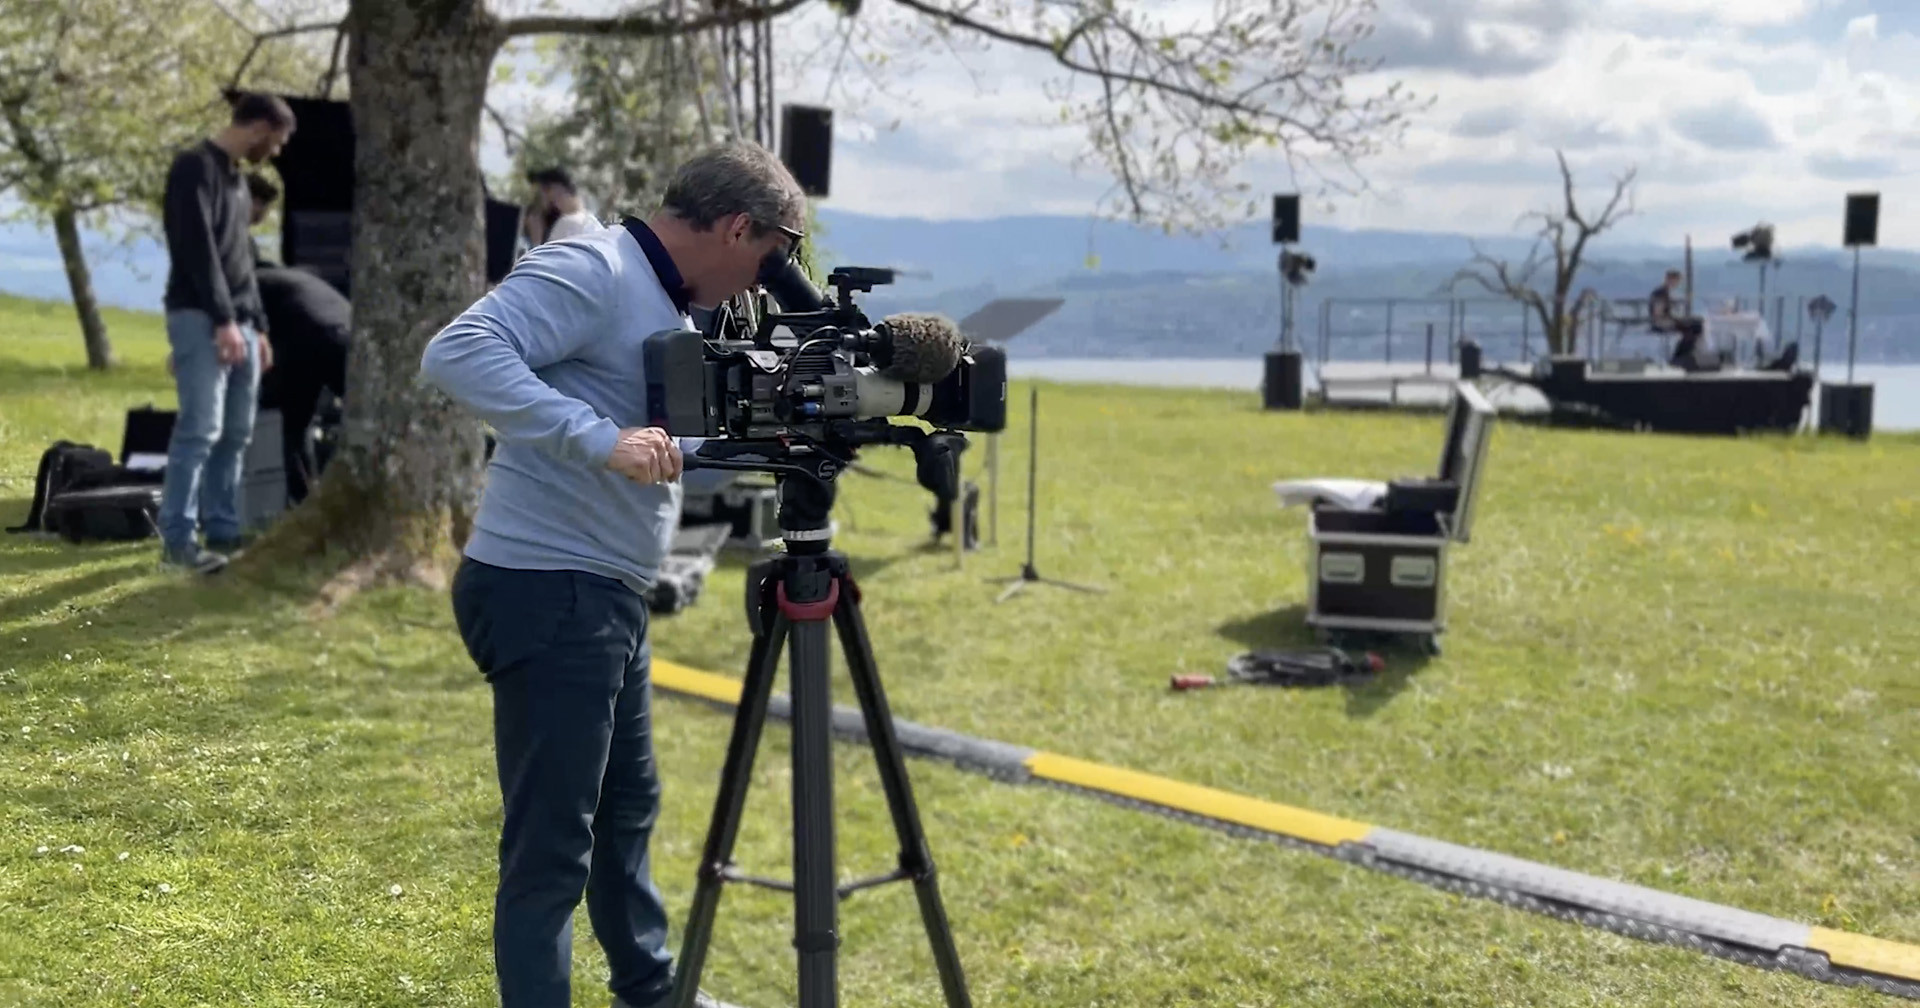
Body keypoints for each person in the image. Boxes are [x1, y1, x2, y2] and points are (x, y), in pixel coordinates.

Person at [417, 140, 807, 1008]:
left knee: (629, 810)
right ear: (737, 227)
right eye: (774, 257)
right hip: (549, 586)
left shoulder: (671, 306)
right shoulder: (596, 267)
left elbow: (665, 459)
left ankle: (650, 990)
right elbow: (457, 351)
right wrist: (598, 438)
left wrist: (771, 442)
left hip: (605, 592)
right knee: (553, 849)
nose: (768, 282)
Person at [157, 92, 294, 573]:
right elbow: (197, 252)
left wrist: (259, 328)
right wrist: (222, 321)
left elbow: (240, 264)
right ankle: (177, 543)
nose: (275, 152)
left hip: (242, 323)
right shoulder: (194, 169)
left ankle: (223, 530)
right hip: (201, 317)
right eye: (275, 142)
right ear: (258, 128)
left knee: (236, 433)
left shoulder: (238, 182)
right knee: (200, 430)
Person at [245, 173, 351, 505]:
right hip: (344, 330)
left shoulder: (253, 286)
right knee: (363, 411)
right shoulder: (289, 278)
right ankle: (308, 497)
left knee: (290, 422)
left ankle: (302, 499)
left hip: (309, 338)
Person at [523, 166, 603, 246]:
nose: (546, 196)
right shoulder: (591, 222)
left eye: (547, 189)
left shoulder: (568, 223)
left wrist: (536, 239)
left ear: (561, 188)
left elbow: (549, 254)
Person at [1648, 268, 1708, 369]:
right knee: (1694, 326)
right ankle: (1679, 356)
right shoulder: (1660, 293)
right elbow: (1658, 313)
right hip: (1662, 322)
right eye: (1676, 281)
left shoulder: (1665, 292)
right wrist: (1674, 318)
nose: (1676, 284)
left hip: (1667, 320)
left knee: (1696, 325)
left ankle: (1683, 354)